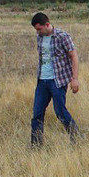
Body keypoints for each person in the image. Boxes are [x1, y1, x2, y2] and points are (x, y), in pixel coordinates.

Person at [30, 12, 81, 148]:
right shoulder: (39, 37)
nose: (38, 32)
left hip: (58, 81)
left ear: (47, 24)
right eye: (36, 30)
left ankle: (76, 137)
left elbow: (74, 56)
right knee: (37, 113)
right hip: (42, 81)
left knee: (60, 112)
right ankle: (36, 145)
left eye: (39, 29)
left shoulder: (62, 36)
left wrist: (74, 79)